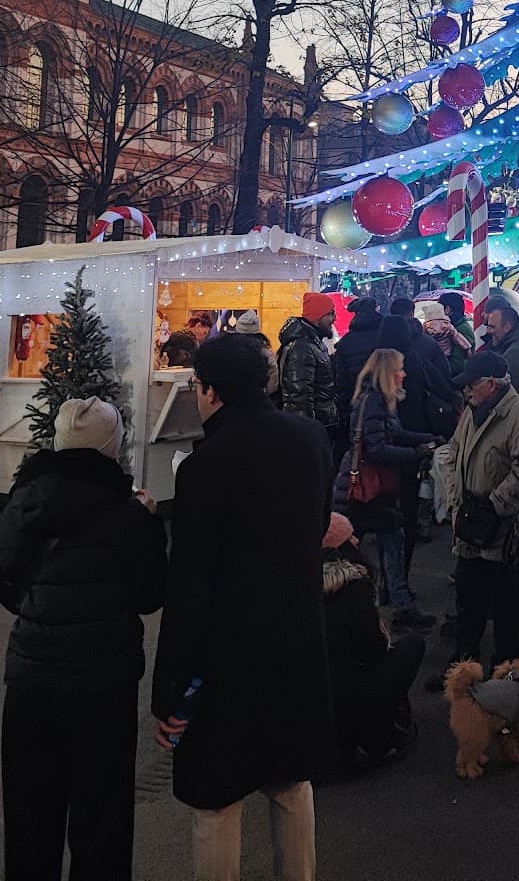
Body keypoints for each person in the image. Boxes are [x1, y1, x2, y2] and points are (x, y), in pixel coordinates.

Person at [151, 334, 334, 881]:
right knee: (291, 782)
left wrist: (169, 690)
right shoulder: (310, 437)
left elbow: (190, 585)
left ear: (209, 390)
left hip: (226, 653)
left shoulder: (206, 465)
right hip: (298, 634)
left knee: (216, 800)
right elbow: (319, 525)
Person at [0, 397, 167, 881]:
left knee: (29, 819)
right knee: (102, 820)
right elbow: (151, 595)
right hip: (102, 684)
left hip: (30, 680)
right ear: (112, 445)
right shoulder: (128, 512)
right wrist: (150, 524)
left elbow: (6, 583)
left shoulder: (23, 499)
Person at [431, 348, 519, 688]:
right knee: (469, 596)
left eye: (472, 385)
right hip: (468, 520)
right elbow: (453, 452)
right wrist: (455, 500)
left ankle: (504, 669)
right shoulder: (473, 411)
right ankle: (465, 664)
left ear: (491, 384)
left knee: (506, 601)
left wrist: (494, 504)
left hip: (501, 527)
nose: (467, 391)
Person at [333, 346, 436, 632]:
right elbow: (377, 449)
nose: (404, 374)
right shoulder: (376, 403)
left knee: (376, 541)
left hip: (359, 487)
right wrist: (418, 452)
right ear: (388, 373)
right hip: (365, 488)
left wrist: (428, 439)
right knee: (389, 538)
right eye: (399, 369)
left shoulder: (374, 400)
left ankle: (386, 600)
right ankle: (395, 604)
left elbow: (394, 435)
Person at [321, 513, 424, 769]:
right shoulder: (353, 587)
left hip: (313, 697)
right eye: (349, 536)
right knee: (411, 646)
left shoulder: (298, 586)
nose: (356, 539)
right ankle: (376, 731)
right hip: (348, 695)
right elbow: (374, 650)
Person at [380, 312, 460, 566]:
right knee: (408, 510)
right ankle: (401, 576)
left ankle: (386, 577)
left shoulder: (372, 364)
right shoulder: (414, 359)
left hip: (380, 448)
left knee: (382, 515)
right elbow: (442, 386)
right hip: (413, 443)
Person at [277, 291, 337, 436]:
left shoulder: (313, 344)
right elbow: (300, 396)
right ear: (317, 316)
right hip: (312, 428)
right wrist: (307, 433)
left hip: (318, 425)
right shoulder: (302, 348)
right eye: (330, 313)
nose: (334, 319)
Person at [332, 296, 383, 439]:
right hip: (382, 398)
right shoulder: (382, 337)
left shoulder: (346, 342)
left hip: (355, 401)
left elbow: (341, 381)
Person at [419, 298, 472, 378]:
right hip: (446, 358)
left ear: (447, 309)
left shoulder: (425, 327)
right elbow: (459, 339)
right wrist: (468, 349)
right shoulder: (448, 326)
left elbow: (457, 364)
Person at [441, 290, 477, 354]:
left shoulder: (461, 329)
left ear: (447, 309)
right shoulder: (454, 327)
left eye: (440, 309)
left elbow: (459, 361)